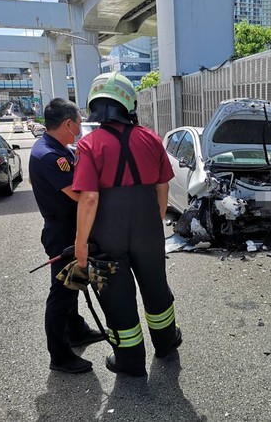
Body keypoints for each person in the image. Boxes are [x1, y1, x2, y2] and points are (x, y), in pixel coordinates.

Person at [73, 71, 181, 377]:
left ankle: (130, 362)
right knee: (156, 289)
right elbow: (163, 189)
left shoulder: (89, 145)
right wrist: (154, 222)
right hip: (148, 227)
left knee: (118, 298)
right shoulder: (151, 138)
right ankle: (166, 344)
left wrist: (81, 245)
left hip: (108, 235)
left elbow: (89, 199)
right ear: (128, 103)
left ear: (95, 105)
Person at [29, 97, 104, 374]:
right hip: (62, 231)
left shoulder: (57, 148)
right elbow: (78, 193)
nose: (81, 128)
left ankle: (77, 331)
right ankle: (59, 355)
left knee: (72, 285)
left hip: (67, 227)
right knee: (61, 293)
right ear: (69, 123)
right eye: (80, 123)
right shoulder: (50, 156)